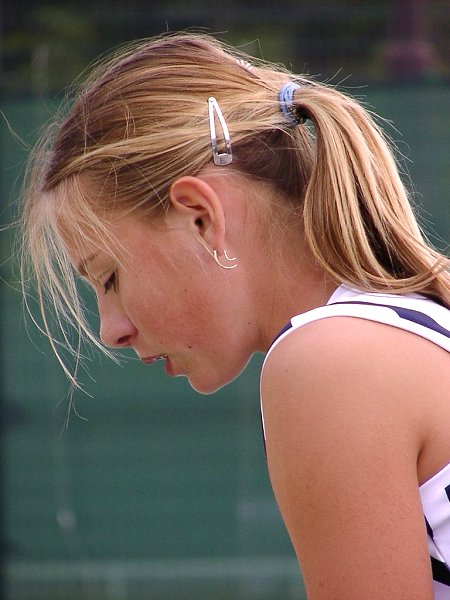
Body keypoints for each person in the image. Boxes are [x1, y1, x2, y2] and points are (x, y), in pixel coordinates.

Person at [20, 32, 450, 598]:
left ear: (200, 216)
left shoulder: (329, 363)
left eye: (109, 278)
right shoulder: (411, 329)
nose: (111, 331)